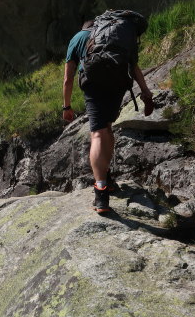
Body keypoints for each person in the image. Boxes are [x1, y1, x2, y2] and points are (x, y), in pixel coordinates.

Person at [62, 17, 154, 214]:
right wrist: (145, 92)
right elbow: (134, 66)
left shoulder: (77, 38)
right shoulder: (118, 35)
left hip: (93, 83)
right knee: (107, 127)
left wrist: (66, 106)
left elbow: (68, 77)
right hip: (118, 82)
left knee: (97, 133)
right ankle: (108, 177)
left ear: (84, 27)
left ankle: (101, 190)